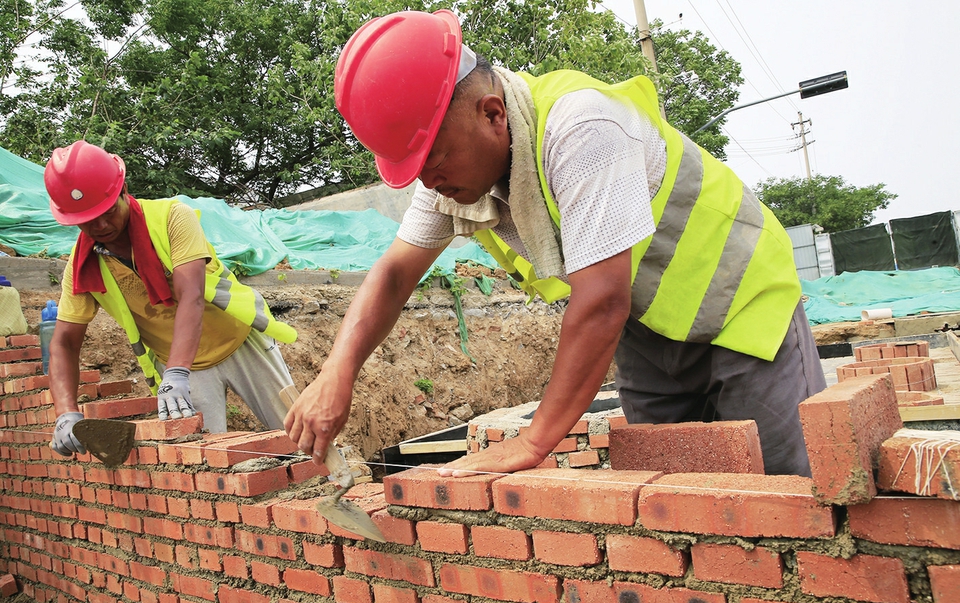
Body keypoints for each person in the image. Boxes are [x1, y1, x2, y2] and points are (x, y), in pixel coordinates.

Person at [284, 10, 826, 477]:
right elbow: (395, 273)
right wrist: (337, 372)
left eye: (435, 160)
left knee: (788, 491)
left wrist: (534, 441)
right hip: (650, 330)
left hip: (741, 307)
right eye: (416, 170)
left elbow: (600, 302)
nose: (428, 183)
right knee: (671, 498)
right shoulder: (451, 182)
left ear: (492, 113)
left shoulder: (581, 129)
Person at [44, 140, 298, 456]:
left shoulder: (171, 218)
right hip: (187, 371)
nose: (102, 225)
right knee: (205, 462)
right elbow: (64, 343)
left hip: (238, 342)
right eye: (88, 220)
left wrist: (175, 374)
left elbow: (190, 295)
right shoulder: (82, 266)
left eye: (107, 212)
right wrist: (66, 412)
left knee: (301, 437)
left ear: (122, 191)